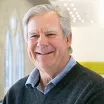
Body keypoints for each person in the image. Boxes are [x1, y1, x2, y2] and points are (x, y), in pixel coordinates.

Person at [3, 4, 104, 104]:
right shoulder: (15, 93)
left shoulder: (96, 91)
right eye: (34, 35)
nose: (41, 42)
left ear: (68, 39)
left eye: (50, 34)